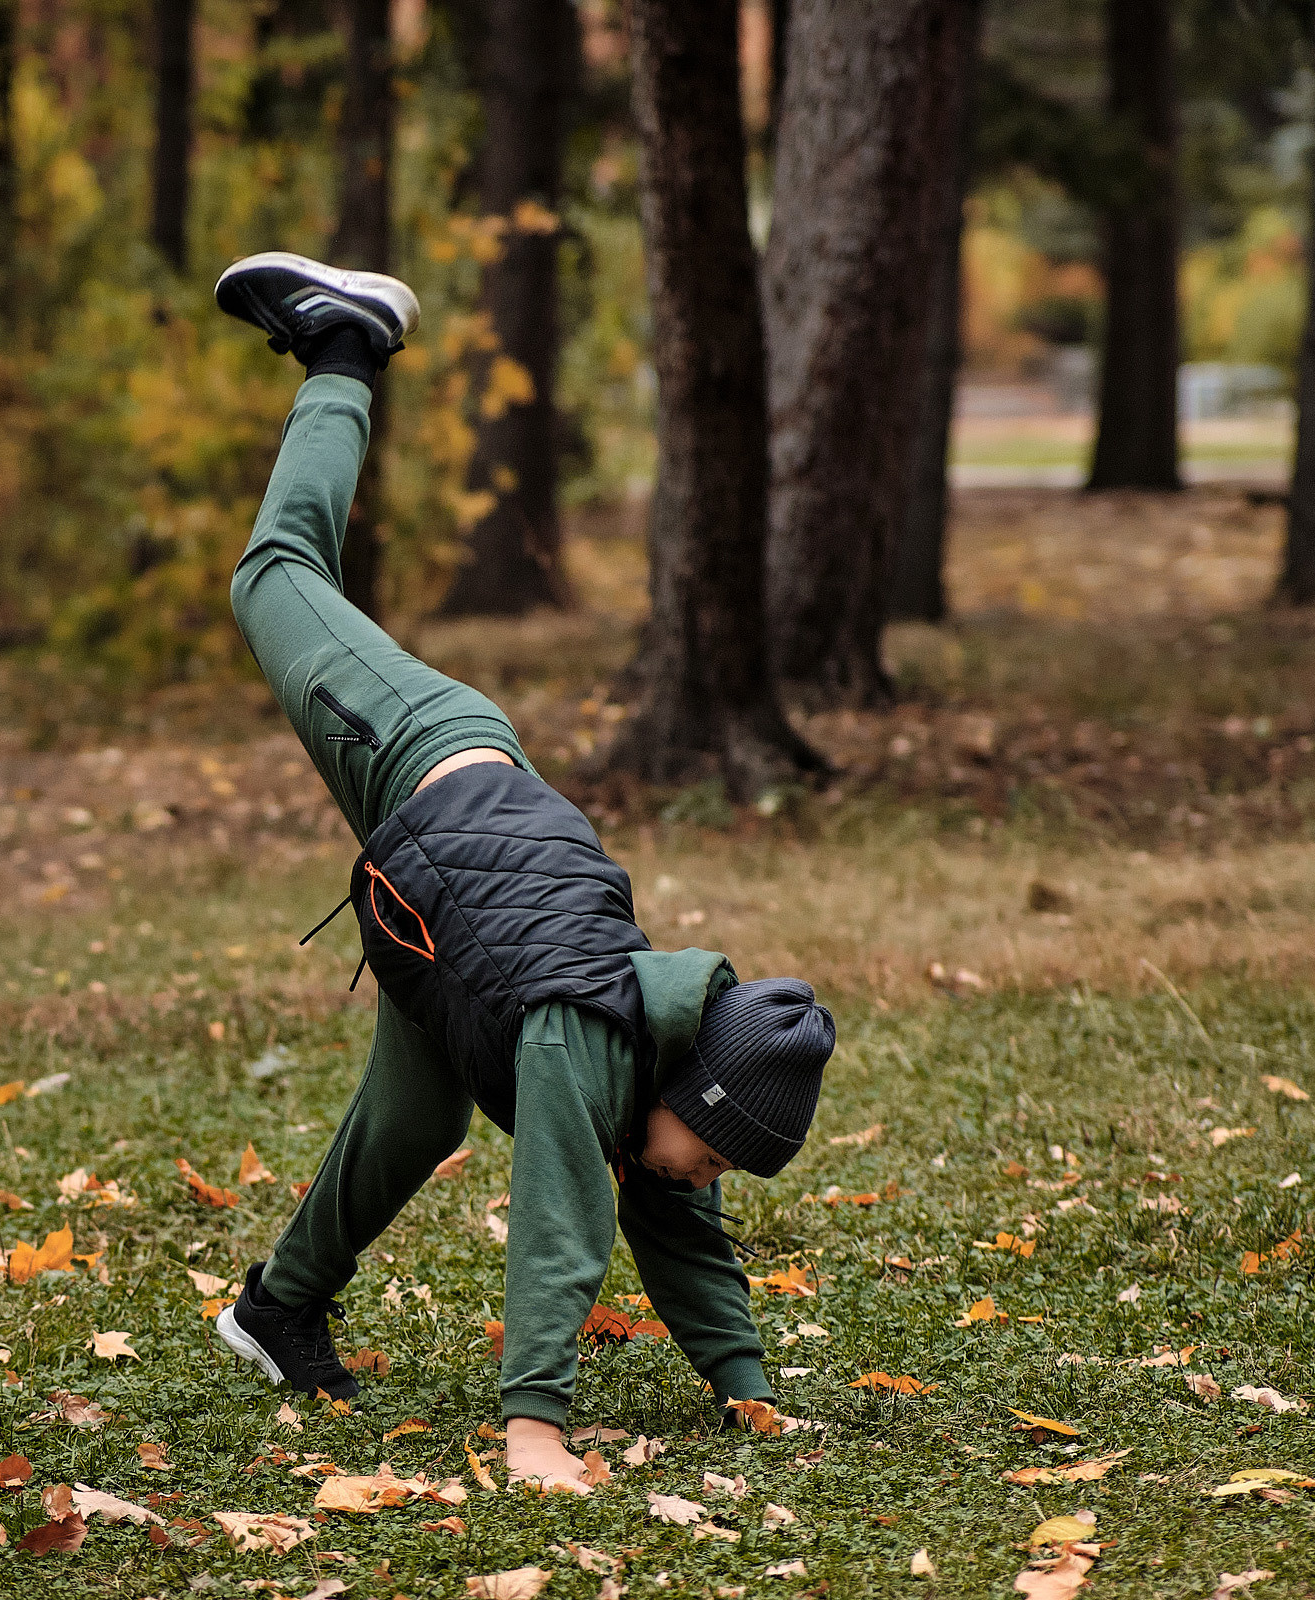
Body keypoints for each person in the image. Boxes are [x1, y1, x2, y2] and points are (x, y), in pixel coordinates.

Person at [205, 252, 837, 1493]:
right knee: (275, 574)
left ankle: (277, 1307)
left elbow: (681, 1235)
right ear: (693, 1091)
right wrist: (534, 1429)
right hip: (418, 746)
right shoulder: (578, 1041)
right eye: (714, 1153)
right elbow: (560, 1226)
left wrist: (748, 1391)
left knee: (420, 1115)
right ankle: (346, 343)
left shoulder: (668, 1085)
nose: (705, 1177)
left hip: (449, 910)